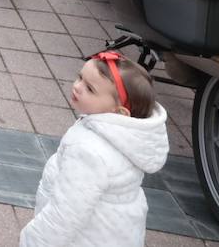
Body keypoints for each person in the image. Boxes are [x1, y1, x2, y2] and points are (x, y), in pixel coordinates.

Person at [19, 52, 167, 247]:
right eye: (80, 77)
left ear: (119, 111)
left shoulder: (89, 151)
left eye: (89, 88)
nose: (77, 86)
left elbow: (66, 213)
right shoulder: (129, 140)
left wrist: (34, 242)